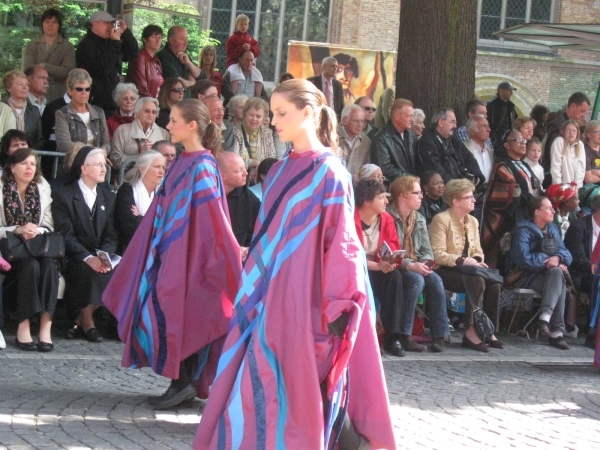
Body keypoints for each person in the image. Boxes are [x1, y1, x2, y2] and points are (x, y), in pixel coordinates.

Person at [194, 79, 395, 449]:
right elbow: (267, 235)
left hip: (309, 301)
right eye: (271, 113)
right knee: (259, 379)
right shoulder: (282, 168)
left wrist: (338, 303)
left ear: (308, 112)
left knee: (300, 384)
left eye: (281, 113)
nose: (273, 121)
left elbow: (343, 244)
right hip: (266, 296)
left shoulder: (331, 172)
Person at [103, 98, 241, 410]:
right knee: (169, 309)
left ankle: (185, 382)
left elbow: (212, 220)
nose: (168, 125)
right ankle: (181, 381)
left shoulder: (203, 166)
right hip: (170, 252)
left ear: (192, 125)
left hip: (192, 259)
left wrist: (220, 255)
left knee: (186, 313)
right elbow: (165, 209)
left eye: (175, 120)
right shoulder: (182, 161)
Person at [429, 179, 503, 352]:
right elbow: (437, 254)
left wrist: (477, 259)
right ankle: (470, 331)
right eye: (468, 197)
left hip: (469, 270)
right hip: (445, 270)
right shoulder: (441, 219)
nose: (474, 200)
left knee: (495, 284)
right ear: (455, 201)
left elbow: (477, 249)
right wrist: (461, 260)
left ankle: (488, 330)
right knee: (477, 281)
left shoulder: (473, 221)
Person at [51, 147, 116, 343]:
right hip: (74, 256)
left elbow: (111, 234)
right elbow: (66, 235)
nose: (104, 169)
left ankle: (78, 320)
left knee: (117, 273)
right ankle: (88, 323)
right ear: (84, 169)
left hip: (100, 256)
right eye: (98, 165)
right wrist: (88, 258)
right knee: (88, 272)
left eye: (104, 164)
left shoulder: (108, 196)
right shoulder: (63, 195)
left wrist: (105, 256)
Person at [0, 148, 58, 352]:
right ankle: (23, 326)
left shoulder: (42, 187)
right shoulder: (2, 188)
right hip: (10, 250)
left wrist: (35, 230)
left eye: (33, 164)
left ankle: (45, 327)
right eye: (24, 163)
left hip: (36, 245)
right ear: (12, 166)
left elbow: (49, 224)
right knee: (30, 266)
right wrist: (17, 229)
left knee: (50, 266)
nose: (29, 168)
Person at [387, 176, 450, 352]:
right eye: (417, 193)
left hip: (415, 264)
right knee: (416, 280)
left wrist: (425, 263)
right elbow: (390, 251)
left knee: (435, 280)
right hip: (395, 265)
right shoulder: (388, 217)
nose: (421, 196)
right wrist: (410, 265)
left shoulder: (419, 218)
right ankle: (404, 335)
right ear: (403, 195)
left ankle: (439, 335)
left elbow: (427, 249)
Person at [354, 179, 413, 356]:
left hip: (377, 267)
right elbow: (346, 253)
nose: (387, 202)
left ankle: (393, 337)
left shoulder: (386, 219)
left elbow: (393, 246)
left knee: (395, 278)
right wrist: (377, 265)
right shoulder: (349, 218)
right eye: (381, 197)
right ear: (366, 201)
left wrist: (389, 262)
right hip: (355, 269)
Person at [506, 196, 573, 350]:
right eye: (549, 208)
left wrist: (558, 257)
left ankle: (545, 317)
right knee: (558, 277)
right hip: (527, 276)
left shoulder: (554, 229)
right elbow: (524, 260)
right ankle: (556, 331)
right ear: (537, 211)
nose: (553, 210)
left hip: (549, 277)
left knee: (557, 274)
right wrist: (549, 261)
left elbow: (566, 253)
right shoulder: (522, 230)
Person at [482, 130, 540, 270]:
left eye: (524, 141)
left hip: (526, 214)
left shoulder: (524, 164)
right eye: (518, 140)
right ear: (507, 145)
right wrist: (526, 198)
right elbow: (507, 191)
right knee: (505, 252)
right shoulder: (501, 165)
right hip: (510, 218)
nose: (522, 143)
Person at [75, 11, 139, 116]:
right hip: (94, 101)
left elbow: (133, 53)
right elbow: (104, 68)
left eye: (112, 23)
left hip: (111, 100)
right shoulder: (86, 45)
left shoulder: (110, 42)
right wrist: (115, 43)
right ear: (95, 24)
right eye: (107, 23)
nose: (110, 26)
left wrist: (126, 32)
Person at [564, 195, 600, 350]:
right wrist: (594, 267)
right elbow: (577, 258)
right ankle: (593, 332)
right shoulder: (579, 227)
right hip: (582, 273)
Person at [417, 108, 484, 189]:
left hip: (462, 187)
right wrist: (457, 186)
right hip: (445, 190)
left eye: (455, 122)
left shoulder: (453, 140)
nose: (455, 126)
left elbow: (468, 157)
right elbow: (436, 169)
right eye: (452, 122)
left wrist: (478, 176)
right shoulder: (427, 142)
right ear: (441, 122)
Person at [114, 150, 165, 254]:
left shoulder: (165, 192)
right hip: (131, 249)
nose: (162, 171)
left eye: (163, 167)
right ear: (142, 169)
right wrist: (156, 222)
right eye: (157, 167)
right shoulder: (126, 190)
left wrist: (140, 218)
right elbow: (129, 226)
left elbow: (168, 223)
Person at [23, 8, 75, 102]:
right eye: (47, 21)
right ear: (42, 24)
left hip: (58, 93)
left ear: (59, 25)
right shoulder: (32, 44)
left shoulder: (67, 46)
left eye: (54, 22)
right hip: (35, 92)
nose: (50, 25)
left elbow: (67, 72)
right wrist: (55, 71)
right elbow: (28, 69)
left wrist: (44, 66)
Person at [54, 69, 110, 154]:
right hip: (73, 163)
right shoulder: (62, 113)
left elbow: (106, 143)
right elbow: (63, 144)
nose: (84, 93)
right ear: (69, 90)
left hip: (97, 160)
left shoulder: (99, 112)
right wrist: (90, 154)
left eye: (87, 89)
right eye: (79, 89)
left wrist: (103, 152)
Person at [110, 98, 170, 177]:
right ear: (137, 112)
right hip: (128, 178)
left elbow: (168, 161)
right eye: (147, 111)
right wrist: (140, 155)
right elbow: (115, 160)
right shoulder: (122, 130)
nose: (151, 115)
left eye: (154, 112)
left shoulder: (164, 134)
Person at [217, 152, 260, 258]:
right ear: (223, 175)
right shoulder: (207, 196)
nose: (246, 173)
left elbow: (260, 229)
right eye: (239, 170)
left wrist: (249, 249)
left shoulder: (248, 198)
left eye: (245, 169)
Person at [370, 98, 417, 181]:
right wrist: (409, 178)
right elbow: (385, 168)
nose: (412, 120)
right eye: (409, 116)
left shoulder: (411, 135)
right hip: (393, 187)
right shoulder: (381, 138)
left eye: (412, 116)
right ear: (397, 116)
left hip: (412, 184)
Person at [544, 92, 590, 175]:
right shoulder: (557, 126)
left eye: (586, 112)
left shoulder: (568, 124)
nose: (584, 115)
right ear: (573, 106)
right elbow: (555, 157)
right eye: (582, 111)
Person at [1, 70, 45, 149]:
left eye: (26, 84)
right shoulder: (2, 108)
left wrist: (27, 153)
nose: (25, 88)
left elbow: (40, 139)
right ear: (9, 88)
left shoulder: (34, 110)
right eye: (20, 84)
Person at [156, 26, 201, 97]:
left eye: (186, 39)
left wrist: (188, 63)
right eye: (182, 39)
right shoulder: (163, 55)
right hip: (171, 104)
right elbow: (176, 81)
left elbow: (200, 77)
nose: (186, 43)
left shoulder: (185, 56)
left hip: (185, 102)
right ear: (171, 40)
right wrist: (192, 82)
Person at [232, 97, 276, 167]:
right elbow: (234, 158)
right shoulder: (234, 131)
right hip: (241, 174)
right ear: (245, 114)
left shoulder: (267, 133)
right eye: (251, 115)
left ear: (263, 118)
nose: (254, 119)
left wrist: (258, 169)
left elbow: (271, 158)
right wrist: (254, 164)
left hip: (260, 174)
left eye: (258, 117)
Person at [126, 25, 164, 99]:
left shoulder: (156, 60)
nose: (158, 40)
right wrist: (150, 103)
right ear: (145, 39)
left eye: (160, 37)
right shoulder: (140, 58)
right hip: (142, 104)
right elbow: (141, 88)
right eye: (153, 37)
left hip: (153, 103)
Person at [550, 119, 585, 188]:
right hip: (560, 186)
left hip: (573, 188)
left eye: (574, 131)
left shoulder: (580, 145)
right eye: (568, 130)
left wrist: (577, 187)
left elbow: (581, 168)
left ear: (577, 132)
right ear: (563, 131)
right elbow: (556, 166)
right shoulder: (559, 141)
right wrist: (558, 185)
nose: (571, 133)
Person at [339, 104, 370, 178]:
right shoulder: (332, 137)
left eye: (362, 121)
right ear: (345, 121)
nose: (360, 125)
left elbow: (367, 166)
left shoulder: (366, 141)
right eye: (356, 121)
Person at [487, 81, 518, 146]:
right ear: (501, 91)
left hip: (506, 139)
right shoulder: (491, 105)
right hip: (494, 139)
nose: (511, 93)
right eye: (509, 90)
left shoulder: (510, 106)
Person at [584, 120, 600, 184]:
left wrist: (596, 172)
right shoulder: (584, 150)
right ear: (588, 135)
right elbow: (589, 179)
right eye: (598, 132)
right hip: (591, 189)